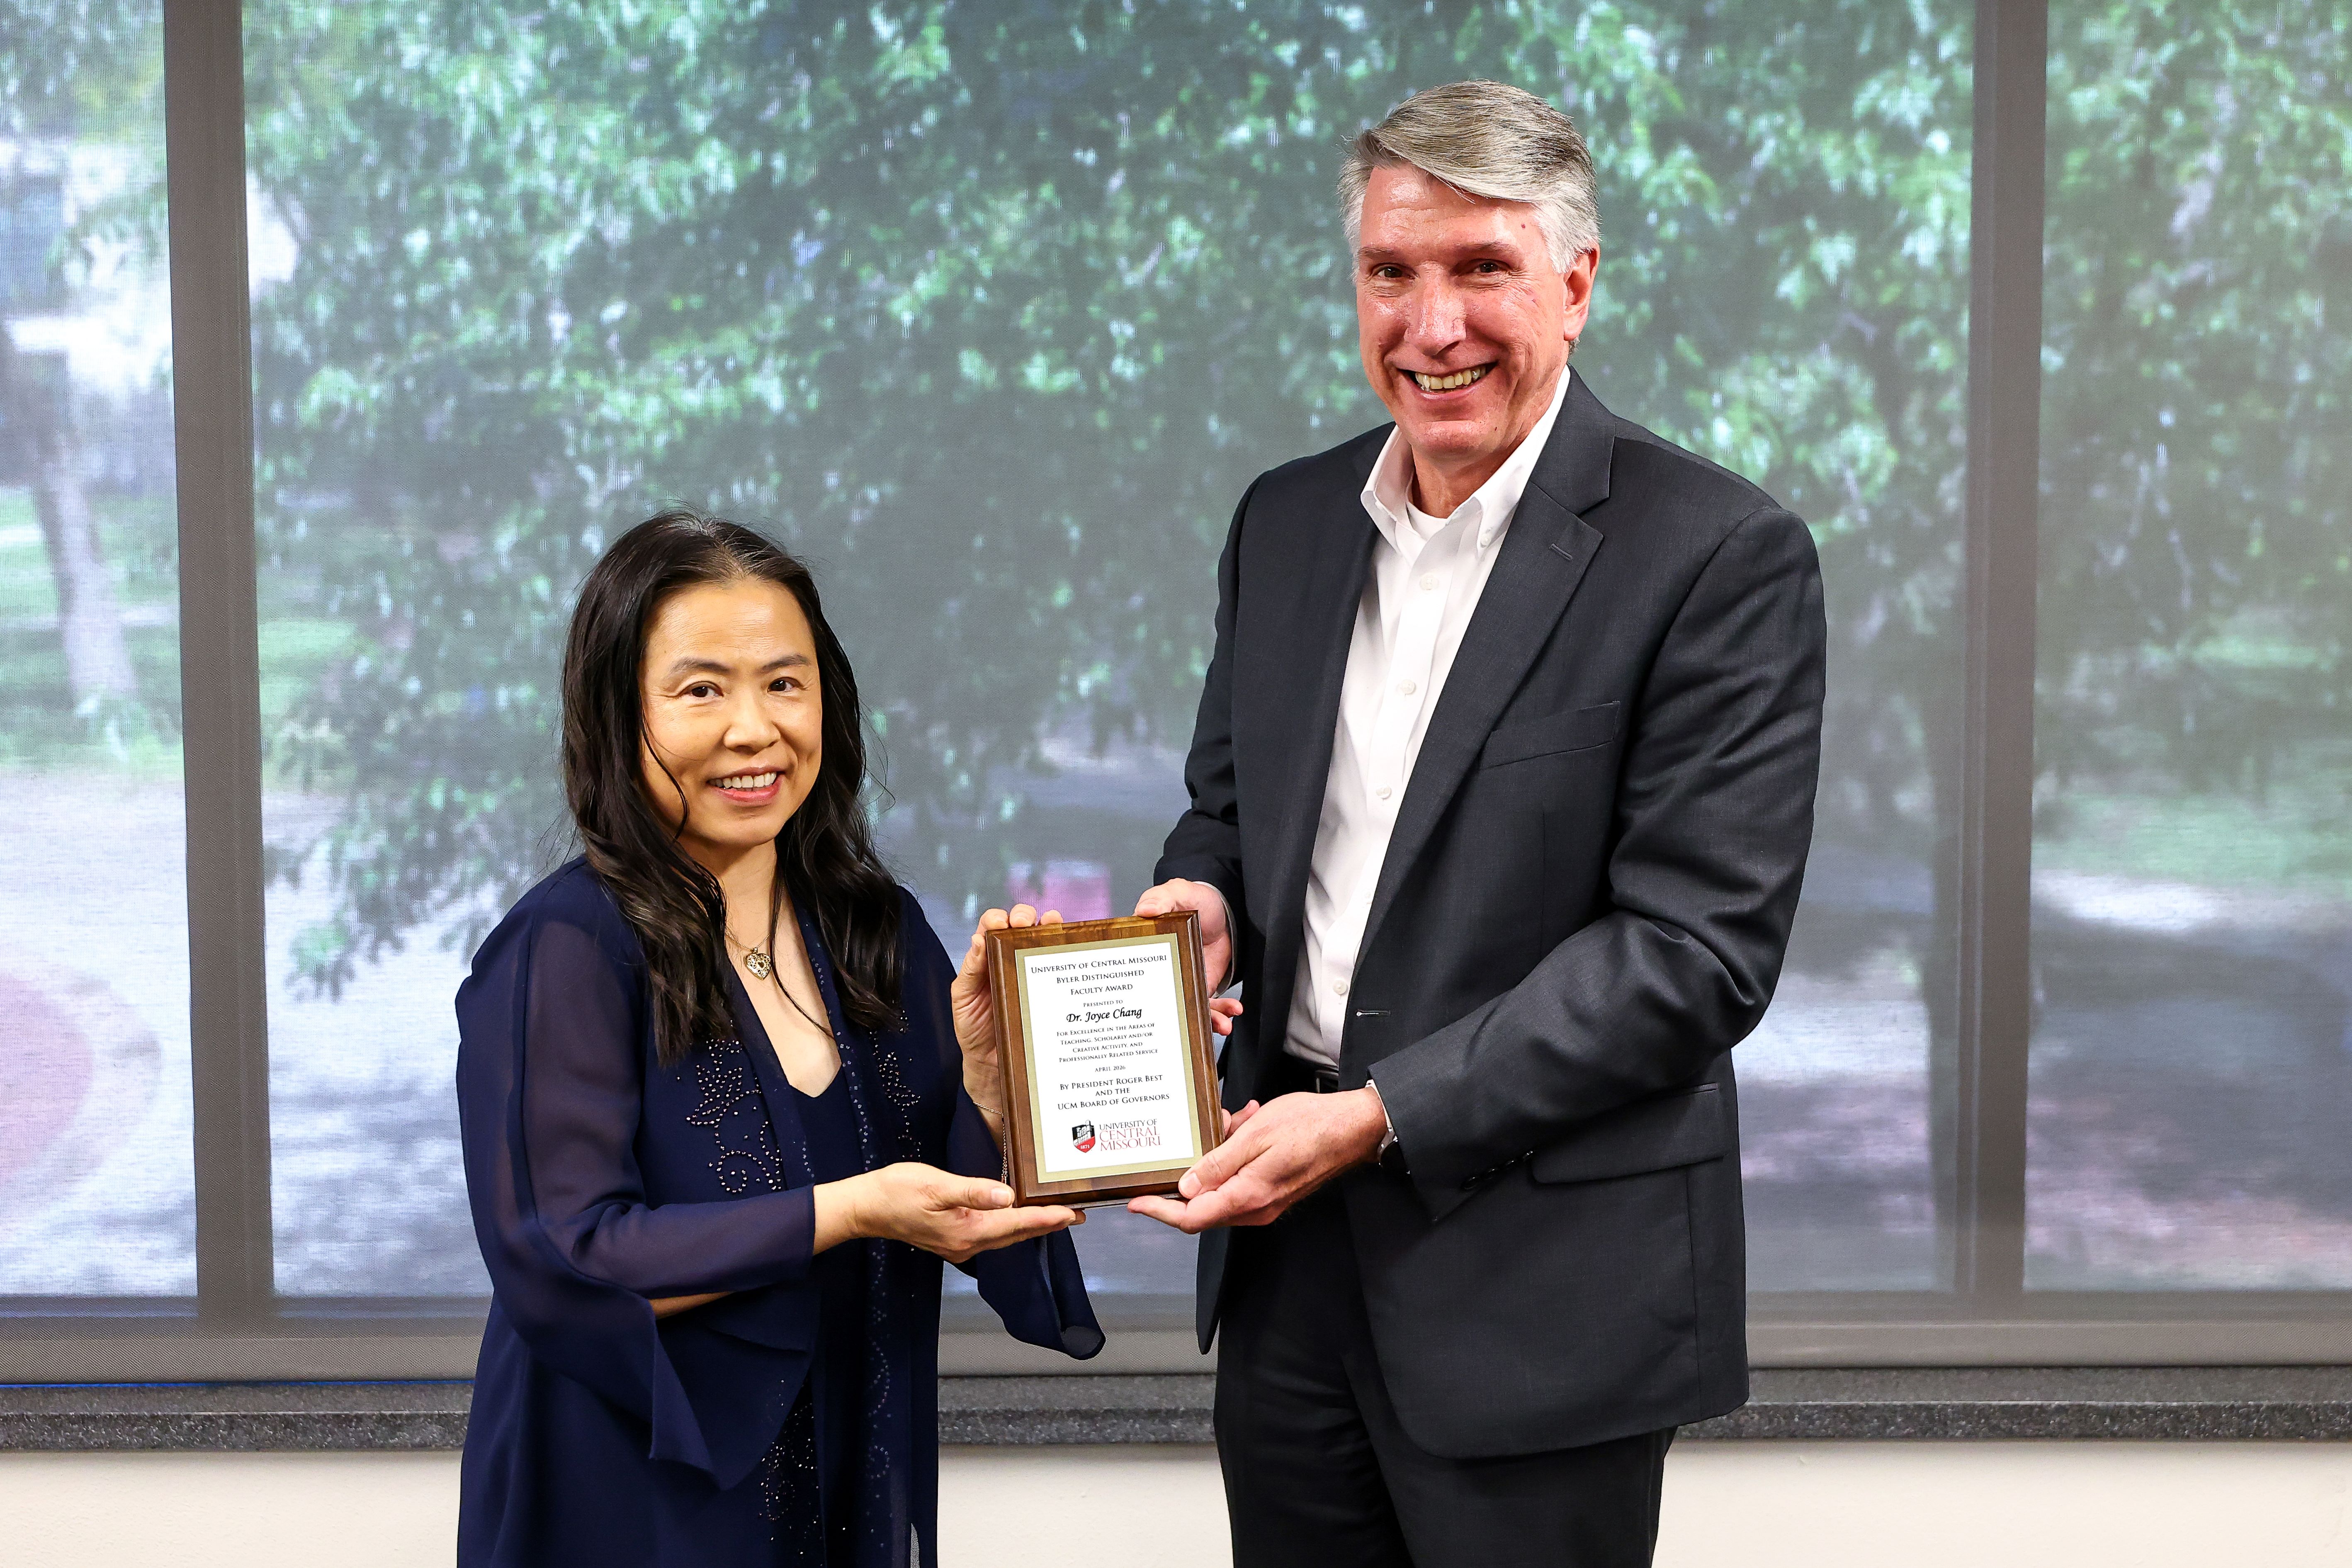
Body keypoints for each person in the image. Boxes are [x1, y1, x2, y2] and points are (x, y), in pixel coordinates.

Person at [1130, 81, 1828, 1566]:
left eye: (1478, 270)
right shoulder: (1287, 520)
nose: (1429, 323)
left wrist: (1380, 1114)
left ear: (1575, 283)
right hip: (1285, 1258)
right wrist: (1196, 898)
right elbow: (1229, 815)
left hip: (1540, 1291)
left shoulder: (1718, 554)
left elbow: (1693, 955)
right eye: (1392, 272)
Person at [454, 510, 1103, 1566]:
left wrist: (998, 1086)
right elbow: (565, 1255)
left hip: (844, 1459)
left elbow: (960, 1199)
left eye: (784, 683)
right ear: (620, 715)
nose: (754, 729)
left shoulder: (871, 923)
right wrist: (846, 1212)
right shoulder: (565, 946)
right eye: (701, 689)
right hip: (630, 1494)